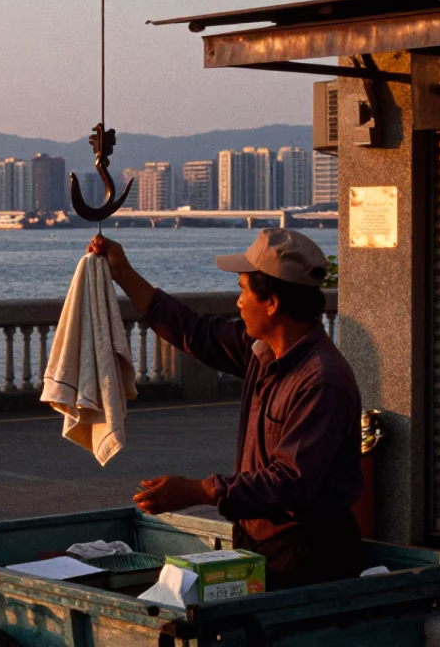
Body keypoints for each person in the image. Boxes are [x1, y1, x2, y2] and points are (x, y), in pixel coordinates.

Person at [88, 228, 363, 589]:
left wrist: (197, 491)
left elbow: (290, 483)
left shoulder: (321, 381)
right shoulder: (261, 353)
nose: (238, 303)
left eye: (243, 291)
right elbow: (193, 331)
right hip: (258, 537)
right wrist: (122, 271)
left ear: (272, 302)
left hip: (307, 552)